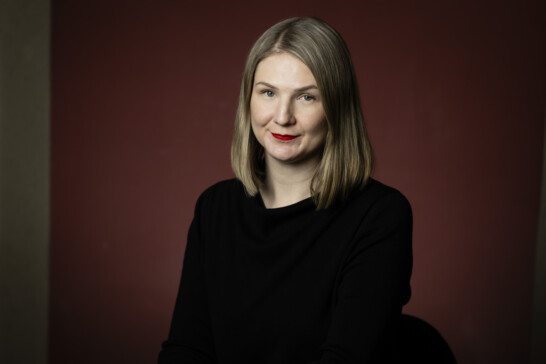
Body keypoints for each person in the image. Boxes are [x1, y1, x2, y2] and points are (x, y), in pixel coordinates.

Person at [158, 17, 412, 364]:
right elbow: (188, 349)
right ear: (249, 99)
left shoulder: (380, 215)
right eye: (268, 92)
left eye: (307, 97)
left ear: (336, 107)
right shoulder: (214, 208)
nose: (282, 116)